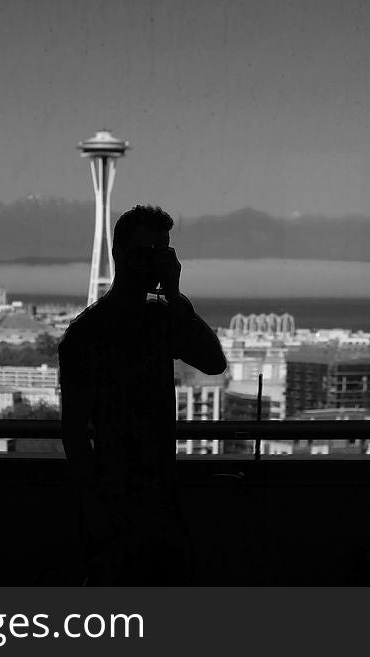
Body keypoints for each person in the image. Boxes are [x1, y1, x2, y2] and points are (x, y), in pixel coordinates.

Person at [59, 205, 227, 585]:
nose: (153, 261)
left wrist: (175, 296)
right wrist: (95, 508)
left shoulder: (160, 317)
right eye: (145, 252)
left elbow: (214, 363)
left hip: (161, 494)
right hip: (114, 495)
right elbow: (73, 429)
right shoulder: (89, 333)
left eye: (162, 252)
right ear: (118, 254)